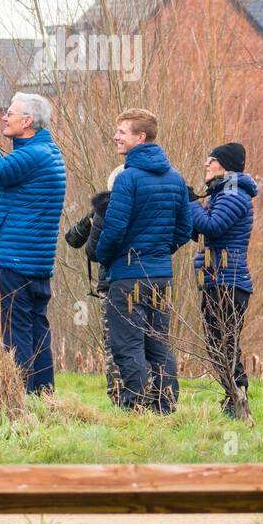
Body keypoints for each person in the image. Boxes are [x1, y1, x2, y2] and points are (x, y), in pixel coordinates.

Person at [94, 108, 193, 413]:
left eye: (122, 131)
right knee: (159, 343)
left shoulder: (128, 179)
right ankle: (165, 407)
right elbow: (185, 229)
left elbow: (114, 228)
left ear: (141, 137)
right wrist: (160, 251)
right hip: (161, 277)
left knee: (128, 345)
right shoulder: (176, 178)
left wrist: (104, 255)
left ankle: (137, 407)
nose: (116, 136)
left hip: (128, 276)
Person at [0, 93, 67, 395]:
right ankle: (42, 396)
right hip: (35, 264)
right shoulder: (44, 152)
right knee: (36, 331)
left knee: (16, 333)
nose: (3, 117)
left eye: (10, 113)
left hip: (14, 262)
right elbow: (7, 173)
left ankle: (20, 397)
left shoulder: (33, 155)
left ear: (27, 122)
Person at [190, 142, 256, 419]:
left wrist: (189, 202)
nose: (206, 163)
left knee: (224, 344)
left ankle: (237, 399)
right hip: (221, 279)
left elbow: (212, 227)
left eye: (212, 159)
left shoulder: (232, 192)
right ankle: (234, 399)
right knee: (220, 343)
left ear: (225, 166)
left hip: (228, 282)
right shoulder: (224, 192)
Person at [64, 164, 124, 404]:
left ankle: (120, 396)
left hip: (112, 284)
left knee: (114, 345)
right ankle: (149, 395)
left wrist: (94, 217)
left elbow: (85, 246)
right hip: (145, 281)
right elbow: (72, 238)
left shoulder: (105, 208)